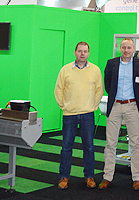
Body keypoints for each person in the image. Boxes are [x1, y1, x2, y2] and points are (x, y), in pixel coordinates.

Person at [99, 38, 139, 191]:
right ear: (120, 48)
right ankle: (107, 177)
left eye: (129, 47)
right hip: (115, 106)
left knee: (135, 143)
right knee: (110, 143)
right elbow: (108, 84)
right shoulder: (111, 63)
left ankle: (137, 178)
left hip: (132, 106)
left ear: (134, 49)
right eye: (124, 47)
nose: (126, 50)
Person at [54, 41, 103, 190]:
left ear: (88, 53)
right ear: (75, 52)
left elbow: (99, 90)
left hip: (88, 114)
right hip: (69, 114)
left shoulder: (95, 70)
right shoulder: (65, 70)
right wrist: (64, 106)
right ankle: (64, 177)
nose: (82, 54)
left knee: (89, 147)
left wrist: (93, 106)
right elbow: (59, 89)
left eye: (85, 51)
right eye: (80, 51)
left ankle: (89, 176)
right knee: (66, 147)